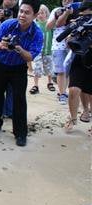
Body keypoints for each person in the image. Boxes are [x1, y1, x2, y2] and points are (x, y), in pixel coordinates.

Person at [0, 0, 43, 147]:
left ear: (35, 15)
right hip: (0, 64)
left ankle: (20, 134)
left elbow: (30, 56)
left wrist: (18, 48)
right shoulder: (8, 24)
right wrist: (3, 45)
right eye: (21, 11)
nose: (22, 15)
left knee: (19, 100)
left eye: (27, 12)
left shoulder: (37, 33)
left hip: (19, 68)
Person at [64, 0, 92, 131]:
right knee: (74, 89)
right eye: (82, 14)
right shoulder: (80, 23)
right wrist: (72, 36)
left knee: (90, 93)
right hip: (80, 58)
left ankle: (87, 113)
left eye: (87, 15)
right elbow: (67, 42)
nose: (84, 17)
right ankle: (73, 118)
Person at [47, 0, 79, 105]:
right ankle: (62, 94)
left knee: (70, 71)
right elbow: (50, 26)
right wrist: (63, 14)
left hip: (73, 46)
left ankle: (67, 93)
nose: (67, 0)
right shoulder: (56, 10)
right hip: (58, 46)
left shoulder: (79, 9)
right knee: (61, 71)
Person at [29, 4, 55, 94]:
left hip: (48, 49)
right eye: (38, 13)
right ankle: (35, 85)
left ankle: (50, 82)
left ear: (46, 14)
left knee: (49, 67)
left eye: (42, 13)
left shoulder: (50, 24)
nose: (40, 15)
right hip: (38, 50)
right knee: (37, 67)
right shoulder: (34, 25)